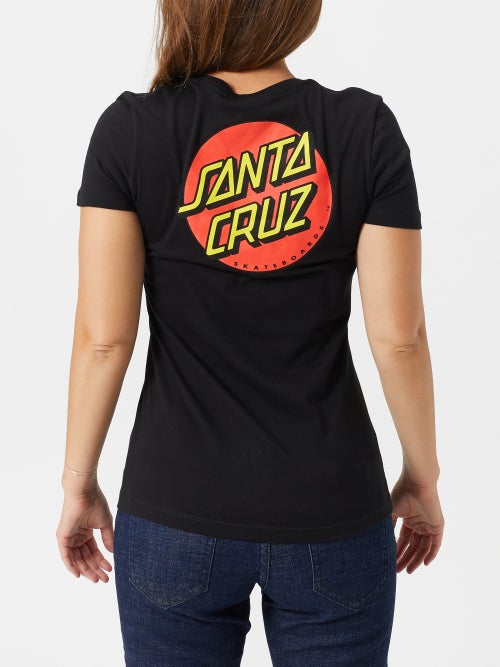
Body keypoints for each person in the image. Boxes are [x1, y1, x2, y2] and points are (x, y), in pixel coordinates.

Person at [56, 0, 445, 664]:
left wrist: (77, 481)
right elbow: (399, 338)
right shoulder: (363, 127)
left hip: (175, 506)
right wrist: (423, 476)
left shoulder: (132, 131)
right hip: (332, 506)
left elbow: (103, 339)